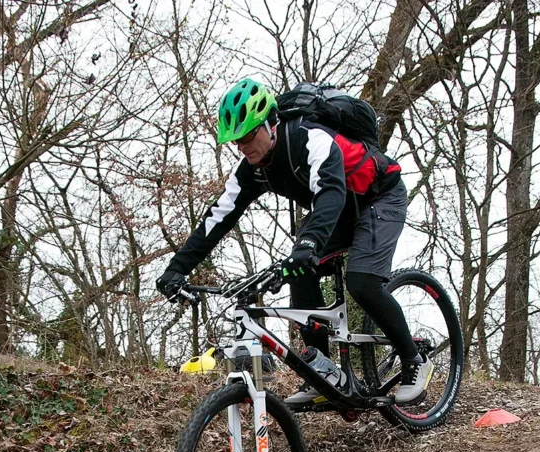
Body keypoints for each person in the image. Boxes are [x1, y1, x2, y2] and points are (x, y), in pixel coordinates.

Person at [156, 78, 433, 405]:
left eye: (247, 136)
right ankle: (323, 371)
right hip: (340, 210)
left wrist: (309, 244)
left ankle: (414, 360)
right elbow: (218, 217)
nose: (243, 147)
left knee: (363, 282)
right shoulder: (252, 169)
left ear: (270, 124)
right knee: (298, 275)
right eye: (235, 141)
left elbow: (331, 192)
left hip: (379, 197)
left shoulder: (307, 137)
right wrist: (177, 269)